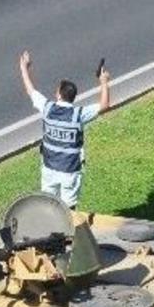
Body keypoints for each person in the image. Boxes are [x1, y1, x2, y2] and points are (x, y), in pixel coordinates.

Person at [19, 50, 110, 209]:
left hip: (49, 169)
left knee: (48, 206)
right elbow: (104, 105)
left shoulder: (47, 108)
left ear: (59, 95)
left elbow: (31, 91)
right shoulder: (78, 114)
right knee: (69, 211)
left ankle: (50, 232)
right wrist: (103, 81)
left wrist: (24, 68)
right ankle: (68, 233)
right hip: (70, 171)